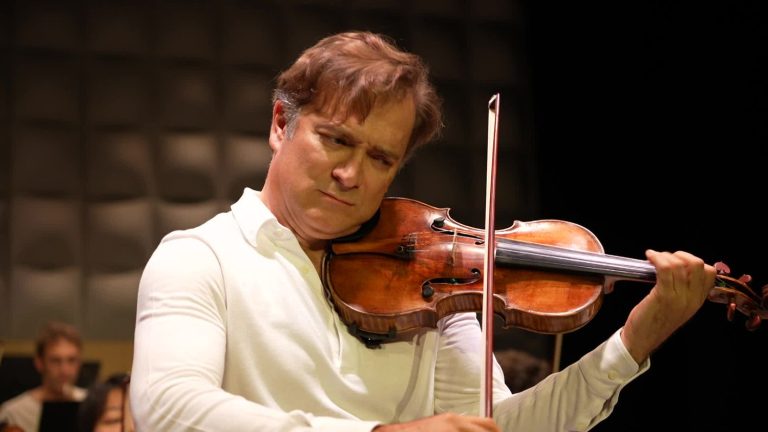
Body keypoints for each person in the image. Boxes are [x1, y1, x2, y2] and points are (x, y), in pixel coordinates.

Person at [130, 30, 716, 431]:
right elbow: (171, 409)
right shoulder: (200, 258)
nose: (350, 174)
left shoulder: (431, 285)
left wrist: (632, 343)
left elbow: (494, 426)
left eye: (381, 159)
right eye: (335, 139)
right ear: (283, 123)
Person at [0, 321, 87, 432]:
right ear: (39, 363)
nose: (64, 370)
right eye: (55, 361)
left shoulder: (92, 404)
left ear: (80, 362)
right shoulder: (13, 413)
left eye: (71, 360)